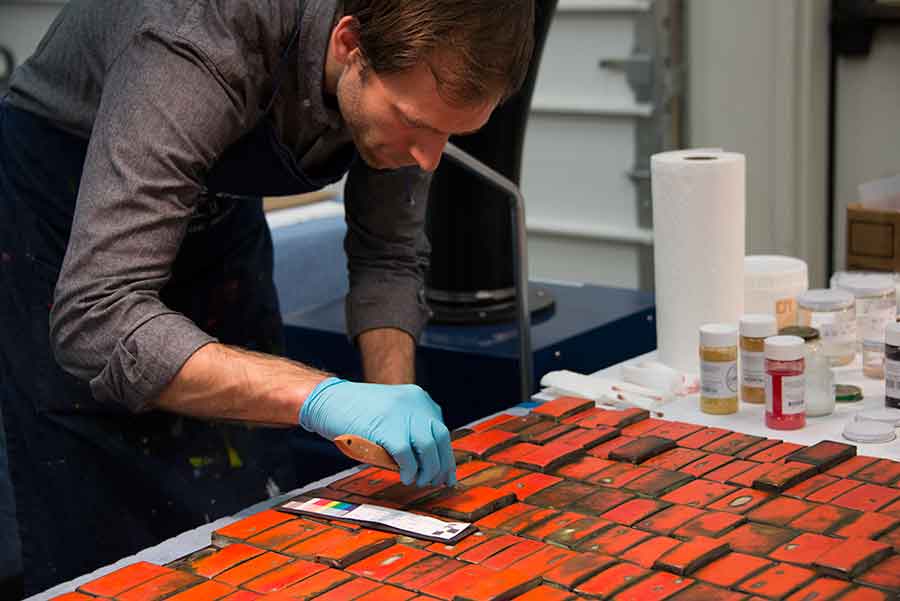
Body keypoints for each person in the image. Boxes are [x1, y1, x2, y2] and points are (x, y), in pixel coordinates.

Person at [0, 0, 535, 593]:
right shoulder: (198, 33)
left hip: (217, 224)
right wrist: (324, 398)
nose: (427, 158)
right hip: (69, 227)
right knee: (113, 552)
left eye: (449, 134)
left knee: (249, 511)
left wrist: (391, 419)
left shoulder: (404, 67)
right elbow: (98, 320)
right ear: (347, 45)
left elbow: (387, 256)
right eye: (416, 123)